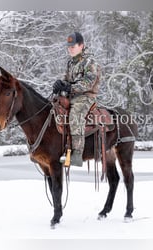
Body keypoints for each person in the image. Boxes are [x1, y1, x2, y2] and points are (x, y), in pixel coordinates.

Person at [53, 32, 101, 166]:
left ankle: (77, 154)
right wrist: (60, 84)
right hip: (71, 96)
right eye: (69, 46)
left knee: (75, 116)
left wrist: (69, 87)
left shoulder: (90, 62)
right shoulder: (71, 62)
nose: (70, 49)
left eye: (73, 46)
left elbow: (88, 83)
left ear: (81, 46)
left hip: (85, 97)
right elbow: (66, 79)